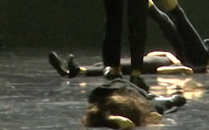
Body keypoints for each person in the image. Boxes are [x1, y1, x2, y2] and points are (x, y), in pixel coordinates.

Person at [82, 77, 186, 130]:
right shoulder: (103, 97)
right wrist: (109, 118)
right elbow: (91, 116)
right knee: (168, 102)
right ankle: (161, 99)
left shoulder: (104, 94)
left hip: (137, 100)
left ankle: (157, 98)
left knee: (162, 103)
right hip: (138, 103)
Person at [49, 50, 193, 78]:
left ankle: (77, 70)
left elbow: (160, 71)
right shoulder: (171, 57)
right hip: (137, 60)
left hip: (139, 66)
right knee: (103, 63)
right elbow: (152, 54)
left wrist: (180, 67)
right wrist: (176, 61)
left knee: (111, 68)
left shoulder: (175, 67)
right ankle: (69, 71)